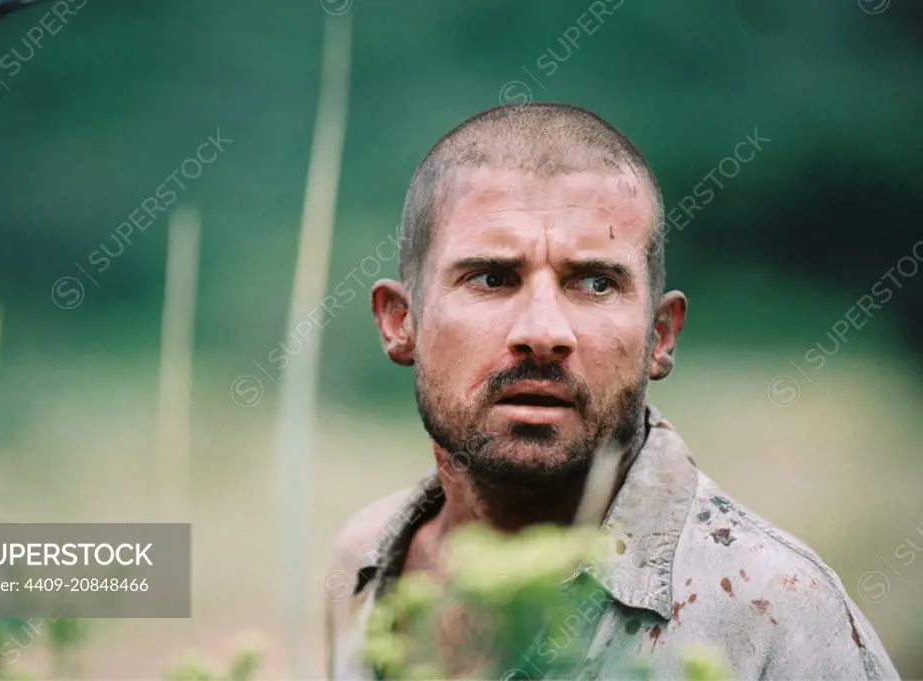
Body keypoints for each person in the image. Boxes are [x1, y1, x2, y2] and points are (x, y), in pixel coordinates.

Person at [324, 102, 899, 680]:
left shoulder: (772, 612)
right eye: (492, 278)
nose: (543, 333)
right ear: (400, 322)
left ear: (659, 335)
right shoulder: (366, 566)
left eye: (596, 283)